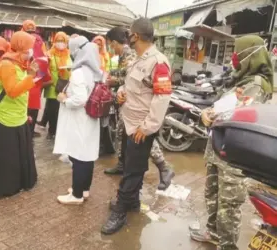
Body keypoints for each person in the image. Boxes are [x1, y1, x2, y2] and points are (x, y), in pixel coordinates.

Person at [190, 35, 273, 250]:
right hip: (220, 148)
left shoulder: (256, 84)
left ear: (249, 55)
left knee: (228, 207)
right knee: (212, 196)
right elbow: (222, 105)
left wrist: (212, 116)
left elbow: (240, 115)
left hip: (234, 156)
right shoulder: (239, 79)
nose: (233, 58)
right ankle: (214, 233)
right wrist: (208, 112)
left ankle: (227, 246)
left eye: (238, 53)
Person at [101, 18, 171, 234]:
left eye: (129, 34)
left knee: (131, 171)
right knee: (135, 167)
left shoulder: (158, 62)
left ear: (136, 36)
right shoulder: (138, 60)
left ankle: (120, 210)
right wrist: (121, 93)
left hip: (141, 127)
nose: (127, 37)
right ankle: (132, 202)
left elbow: (162, 98)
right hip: (130, 121)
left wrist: (147, 128)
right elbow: (130, 85)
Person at [0, 31, 38, 198]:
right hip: (6, 117)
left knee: (20, 154)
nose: (31, 51)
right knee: (8, 157)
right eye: (29, 47)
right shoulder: (8, 65)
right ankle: (7, 187)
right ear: (20, 47)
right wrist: (31, 77)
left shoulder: (20, 63)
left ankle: (22, 182)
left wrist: (29, 72)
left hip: (19, 116)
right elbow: (13, 91)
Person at [54, 36, 101, 205]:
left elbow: (80, 99)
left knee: (78, 157)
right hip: (90, 120)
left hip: (80, 120)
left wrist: (64, 99)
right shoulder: (94, 71)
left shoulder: (79, 72)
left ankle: (76, 195)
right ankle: (84, 189)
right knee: (86, 156)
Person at [44, 32, 71, 140]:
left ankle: (61, 131)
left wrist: (69, 69)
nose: (60, 43)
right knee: (52, 111)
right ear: (54, 41)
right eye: (58, 41)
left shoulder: (69, 54)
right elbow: (44, 69)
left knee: (63, 110)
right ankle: (51, 131)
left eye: (62, 41)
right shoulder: (49, 54)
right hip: (52, 86)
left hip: (64, 85)